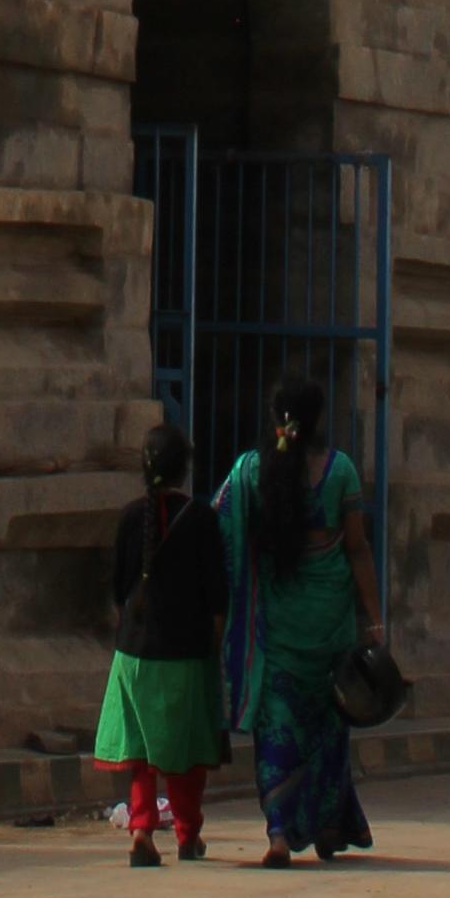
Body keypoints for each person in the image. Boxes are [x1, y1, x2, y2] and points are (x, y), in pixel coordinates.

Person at [216, 370, 386, 865]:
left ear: (277, 421)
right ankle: (329, 821)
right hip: (330, 629)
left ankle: (277, 833)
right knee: (328, 730)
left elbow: (221, 530)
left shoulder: (249, 474)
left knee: (278, 728)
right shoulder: (340, 473)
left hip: (276, 632)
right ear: (317, 422)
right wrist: (374, 621)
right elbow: (357, 551)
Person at [95, 417, 229, 864]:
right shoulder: (203, 519)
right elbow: (217, 597)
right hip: (185, 654)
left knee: (140, 751)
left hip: (133, 653)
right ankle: (188, 835)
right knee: (184, 750)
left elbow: (117, 588)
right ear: (184, 468)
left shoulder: (131, 517)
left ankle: (141, 832)